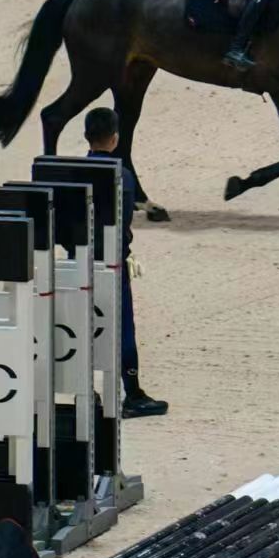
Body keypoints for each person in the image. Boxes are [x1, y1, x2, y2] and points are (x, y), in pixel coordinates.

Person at [85, 108, 168, 418]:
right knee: (122, 327)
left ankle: (85, 390)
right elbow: (122, 222)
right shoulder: (123, 175)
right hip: (112, 261)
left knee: (79, 325)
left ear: (87, 136)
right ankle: (132, 393)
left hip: (78, 261)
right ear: (115, 138)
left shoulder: (70, 171)